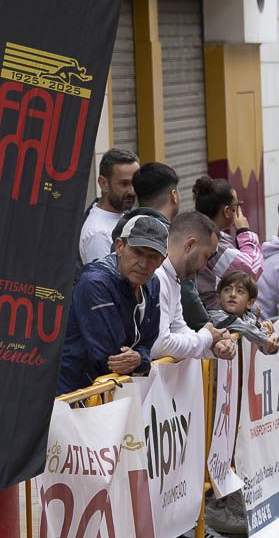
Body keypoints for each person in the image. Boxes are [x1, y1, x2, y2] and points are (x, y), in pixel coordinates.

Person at [58, 215, 165, 395]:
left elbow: (150, 339)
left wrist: (140, 358)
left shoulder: (152, 282)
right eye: (137, 252)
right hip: (76, 394)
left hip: (112, 393)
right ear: (119, 246)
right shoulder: (94, 283)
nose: (143, 264)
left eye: (153, 257)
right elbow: (110, 357)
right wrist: (143, 359)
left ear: (163, 260)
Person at [150, 211, 236, 362]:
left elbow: (179, 328)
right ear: (190, 245)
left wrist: (212, 345)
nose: (204, 267)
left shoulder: (172, 276)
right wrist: (206, 338)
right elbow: (160, 344)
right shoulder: (158, 276)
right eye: (206, 256)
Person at [191, 175, 265, 314]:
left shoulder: (214, 236)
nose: (239, 211)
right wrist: (244, 232)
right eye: (237, 206)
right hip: (214, 319)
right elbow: (251, 270)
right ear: (227, 211)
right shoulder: (213, 243)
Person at [79, 148, 139, 264]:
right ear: (103, 184)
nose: (132, 191)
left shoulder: (123, 214)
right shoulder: (99, 234)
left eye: (135, 183)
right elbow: (104, 280)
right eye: (124, 184)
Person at [210, 271, 279, 353]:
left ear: (249, 303)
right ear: (218, 298)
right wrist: (265, 340)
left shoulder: (249, 317)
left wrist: (270, 345)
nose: (232, 294)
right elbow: (243, 327)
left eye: (239, 291)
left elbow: (258, 329)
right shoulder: (215, 316)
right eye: (227, 290)